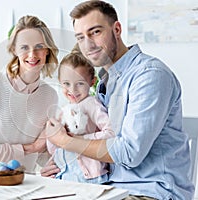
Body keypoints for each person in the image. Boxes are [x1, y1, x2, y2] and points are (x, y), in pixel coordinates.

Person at [42, 1, 195, 199]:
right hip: (110, 189)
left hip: (149, 192)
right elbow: (98, 140)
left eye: (95, 32)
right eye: (81, 37)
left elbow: (128, 153)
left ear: (117, 29)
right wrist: (62, 162)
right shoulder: (107, 81)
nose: (87, 44)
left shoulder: (149, 75)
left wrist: (65, 142)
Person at [0, 15, 59, 172]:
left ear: (47, 50)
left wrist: (51, 166)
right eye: (24, 47)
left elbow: (43, 151)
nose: (32, 54)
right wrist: (30, 148)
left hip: (27, 184)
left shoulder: (50, 95)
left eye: (39, 46)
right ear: (14, 50)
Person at [46, 48, 115, 184]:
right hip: (66, 173)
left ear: (92, 82)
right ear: (60, 82)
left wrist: (80, 139)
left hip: (90, 176)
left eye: (80, 84)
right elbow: (56, 147)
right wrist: (51, 136)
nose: (72, 90)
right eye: (66, 84)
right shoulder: (64, 110)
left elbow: (111, 134)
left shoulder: (92, 105)